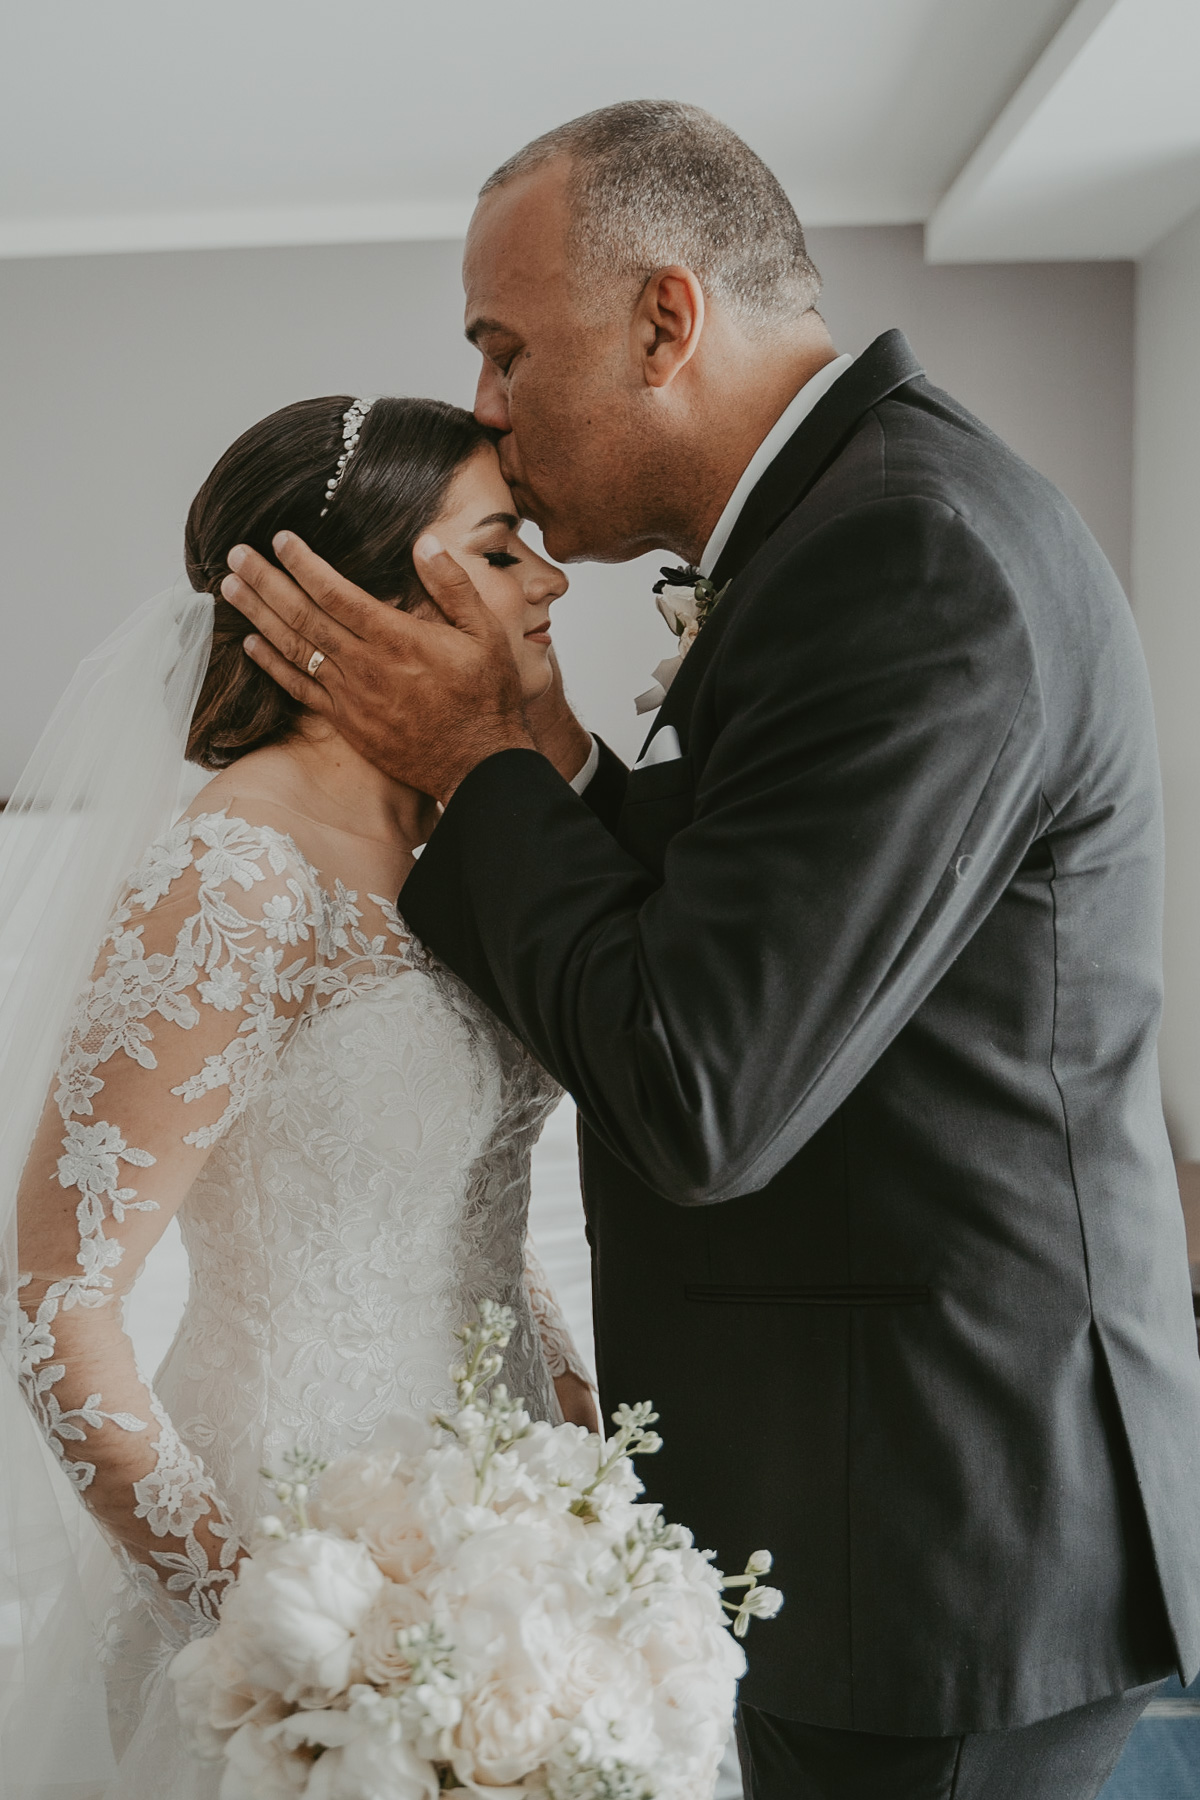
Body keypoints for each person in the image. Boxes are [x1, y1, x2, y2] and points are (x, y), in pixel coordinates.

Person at [223, 101, 1200, 1799]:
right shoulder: (853, 526)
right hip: (864, 1510)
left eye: (509, 349)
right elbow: (758, 918)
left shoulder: (908, 552)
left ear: (665, 320)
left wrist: (480, 768)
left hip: (927, 1538)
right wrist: (559, 760)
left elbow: (700, 1087)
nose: (489, 408)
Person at [1, 394, 597, 1798]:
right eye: (504, 549)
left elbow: (474, 1215)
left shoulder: (471, 841)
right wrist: (267, 1631)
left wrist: (578, 1445)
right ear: (360, 598)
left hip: (506, 1540)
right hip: (290, 1536)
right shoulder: (236, 874)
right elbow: (56, 1298)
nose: (554, 581)